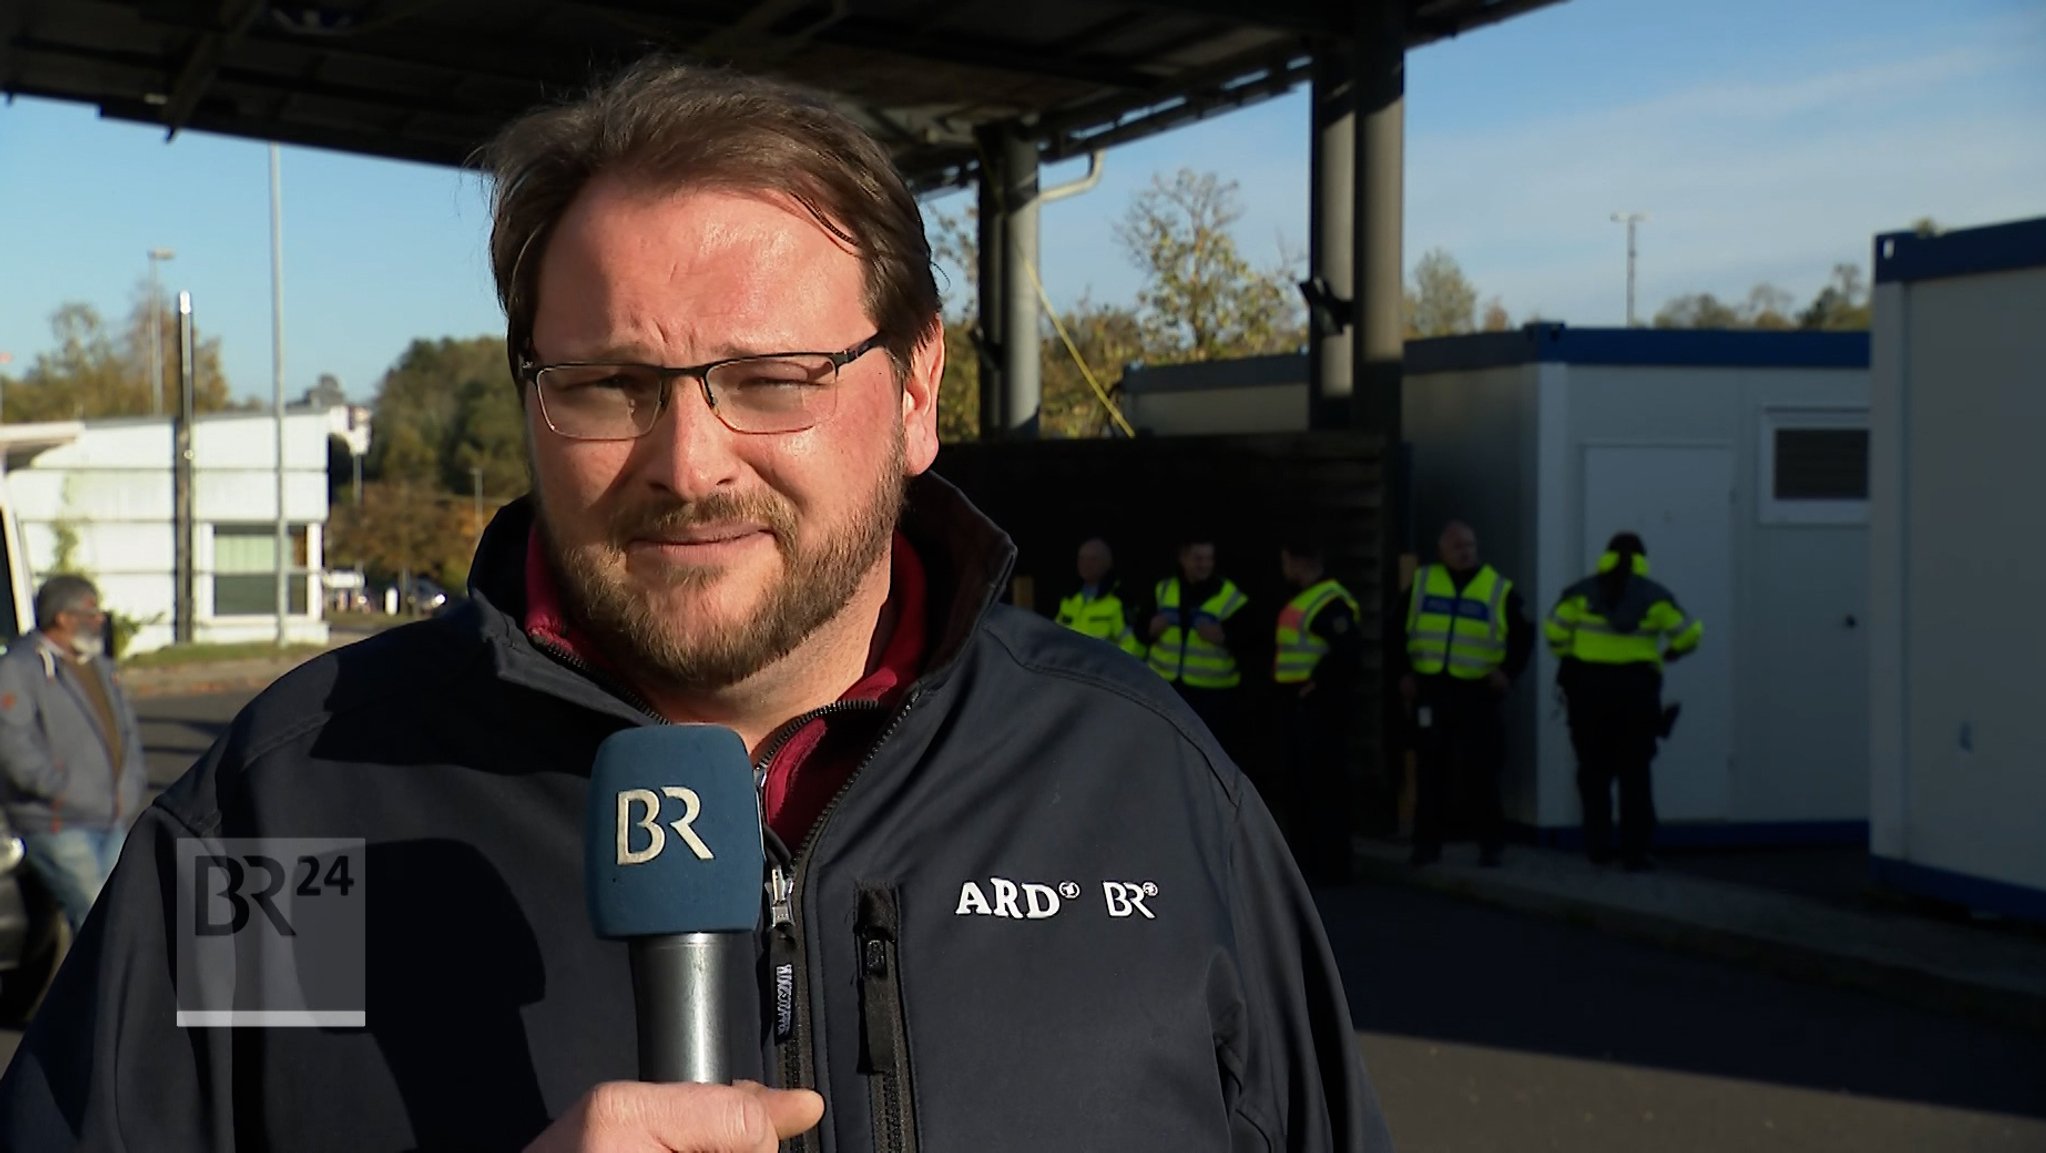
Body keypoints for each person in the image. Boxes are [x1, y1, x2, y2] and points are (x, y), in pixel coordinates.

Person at [0, 57, 1392, 1153]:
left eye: (773, 376)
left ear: (915, 393)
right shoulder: (299, 808)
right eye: (609, 385)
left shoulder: (1145, 788)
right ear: (533, 398)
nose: (688, 461)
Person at [0, 575, 148, 935]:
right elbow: (13, 746)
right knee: (98, 922)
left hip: (110, 817)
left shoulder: (99, 667)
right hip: (58, 823)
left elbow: (125, 733)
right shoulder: (20, 669)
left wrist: (130, 785)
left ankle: (107, 989)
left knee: (122, 916)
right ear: (63, 618)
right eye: (91, 611)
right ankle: (101, 992)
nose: (100, 619)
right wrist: (63, 790)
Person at [1547, 531, 1703, 872]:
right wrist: (1672, 652)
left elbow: (1554, 632)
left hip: (1587, 692)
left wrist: (1571, 655)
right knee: (1635, 774)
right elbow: (1691, 632)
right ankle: (1636, 852)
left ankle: (1598, 848)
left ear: (1606, 555)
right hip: (1636, 694)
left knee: (1594, 773)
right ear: (1643, 557)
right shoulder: (1657, 597)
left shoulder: (1578, 593)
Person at [1396, 521, 1533, 867]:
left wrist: (1508, 673)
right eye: (1457, 545)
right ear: (1442, 550)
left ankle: (1491, 845)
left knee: (1481, 770)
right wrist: (1403, 673)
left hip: (1477, 691)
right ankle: (1427, 844)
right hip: (1432, 688)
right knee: (1430, 771)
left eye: (1470, 544)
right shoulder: (1424, 583)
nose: (1465, 551)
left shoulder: (1497, 588)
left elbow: (1523, 636)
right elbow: (1395, 629)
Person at [1272, 540, 1362, 884]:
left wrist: (1318, 684)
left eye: (1286, 561)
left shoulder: (1330, 602)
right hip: (1298, 705)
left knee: (1323, 788)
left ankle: (1330, 866)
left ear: (1298, 561)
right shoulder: (1305, 598)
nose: (1285, 569)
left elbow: (1348, 653)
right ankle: (1308, 863)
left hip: (1319, 709)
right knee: (1301, 786)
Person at [1143, 533, 1256, 763]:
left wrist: (1224, 637)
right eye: (1198, 558)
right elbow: (1139, 629)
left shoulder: (1230, 595)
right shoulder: (1163, 590)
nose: (1204, 564)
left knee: (1207, 758)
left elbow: (1252, 641)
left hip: (1212, 695)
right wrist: (1149, 628)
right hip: (1166, 688)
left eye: (1208, 558)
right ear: (1183, 559)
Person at [1052, 537, 1145, 659]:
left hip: (1101, 674)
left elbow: (1133, 645)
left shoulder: (1119, 601)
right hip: (1068, 671)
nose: (1085, 564)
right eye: (1082, 558)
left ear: (1108, 563)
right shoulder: (1069, 598)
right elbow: (1054, 635)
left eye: (1093, 559)